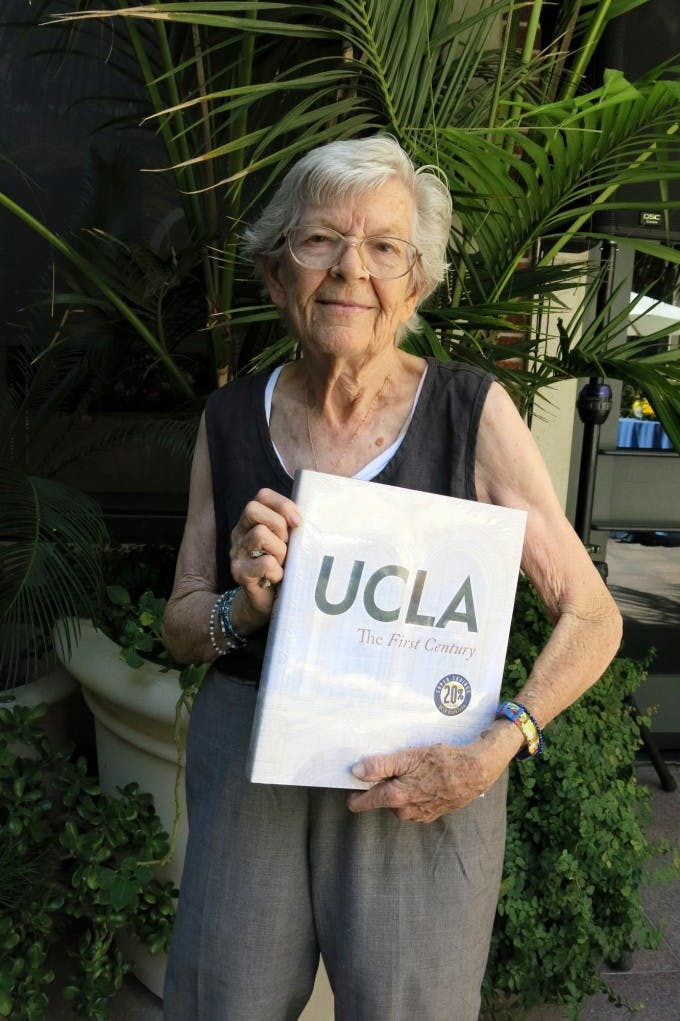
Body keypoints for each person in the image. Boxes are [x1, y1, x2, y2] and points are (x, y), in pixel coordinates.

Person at [161, 134, 622, 1021]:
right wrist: (243, 607)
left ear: (416, 284)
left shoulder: (470, 409)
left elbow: (593, 615)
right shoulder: (227, 418)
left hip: (419, 767)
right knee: (223, 1000)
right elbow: (181, 622)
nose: (350, 270)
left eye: (383, 248)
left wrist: (498, 745)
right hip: (251, 752)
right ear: (274, 271)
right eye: (320, 240)